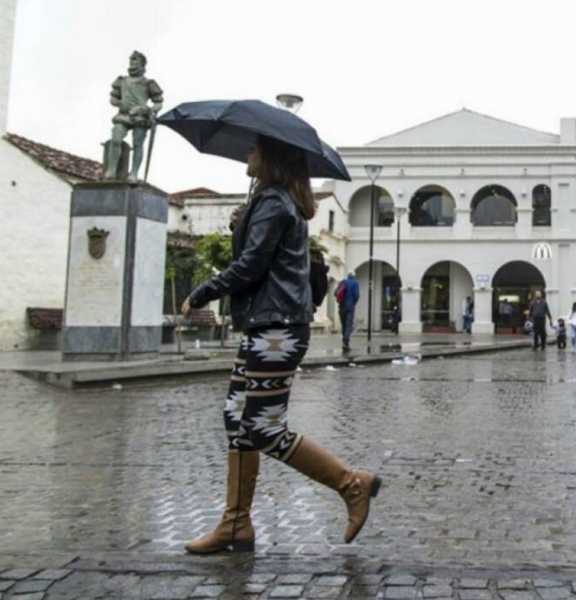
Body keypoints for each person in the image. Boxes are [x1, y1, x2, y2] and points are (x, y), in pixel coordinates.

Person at [181, 135, 381, 554]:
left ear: (270, 157)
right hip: (269, 324)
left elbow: (251, 267)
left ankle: (351, 484)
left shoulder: (274, 203)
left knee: (261, 427)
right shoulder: (272, 202)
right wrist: (244, 224)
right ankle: (235, 524)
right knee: (237, 419)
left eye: (253, 150)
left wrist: (203, 292)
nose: (247, 155)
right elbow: (259, 257)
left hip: (277, 329)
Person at [103, 51, 163, 181]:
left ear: (142, 63)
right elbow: (113, 98)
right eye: (131, 59)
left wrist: (149, 110)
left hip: (140, 116)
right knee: (116, 139)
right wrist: (120, 103)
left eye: (135, 60)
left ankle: (134, 172)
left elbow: (158, 102)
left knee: (137, 144)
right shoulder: (121, 80)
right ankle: (111, 170)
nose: (132, 62)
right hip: (123, 115)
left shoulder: (148, 83)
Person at [335, 272, 360, 352]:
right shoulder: (355, 283)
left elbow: (335, 293)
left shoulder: (343, 282)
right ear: (354, 276)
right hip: (350, 307)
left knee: (344, 324)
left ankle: (344, 340)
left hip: (341, 306)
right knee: (348, 324)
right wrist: (353, 303)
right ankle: (346, 340)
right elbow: (356, 295)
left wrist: (340, 300)